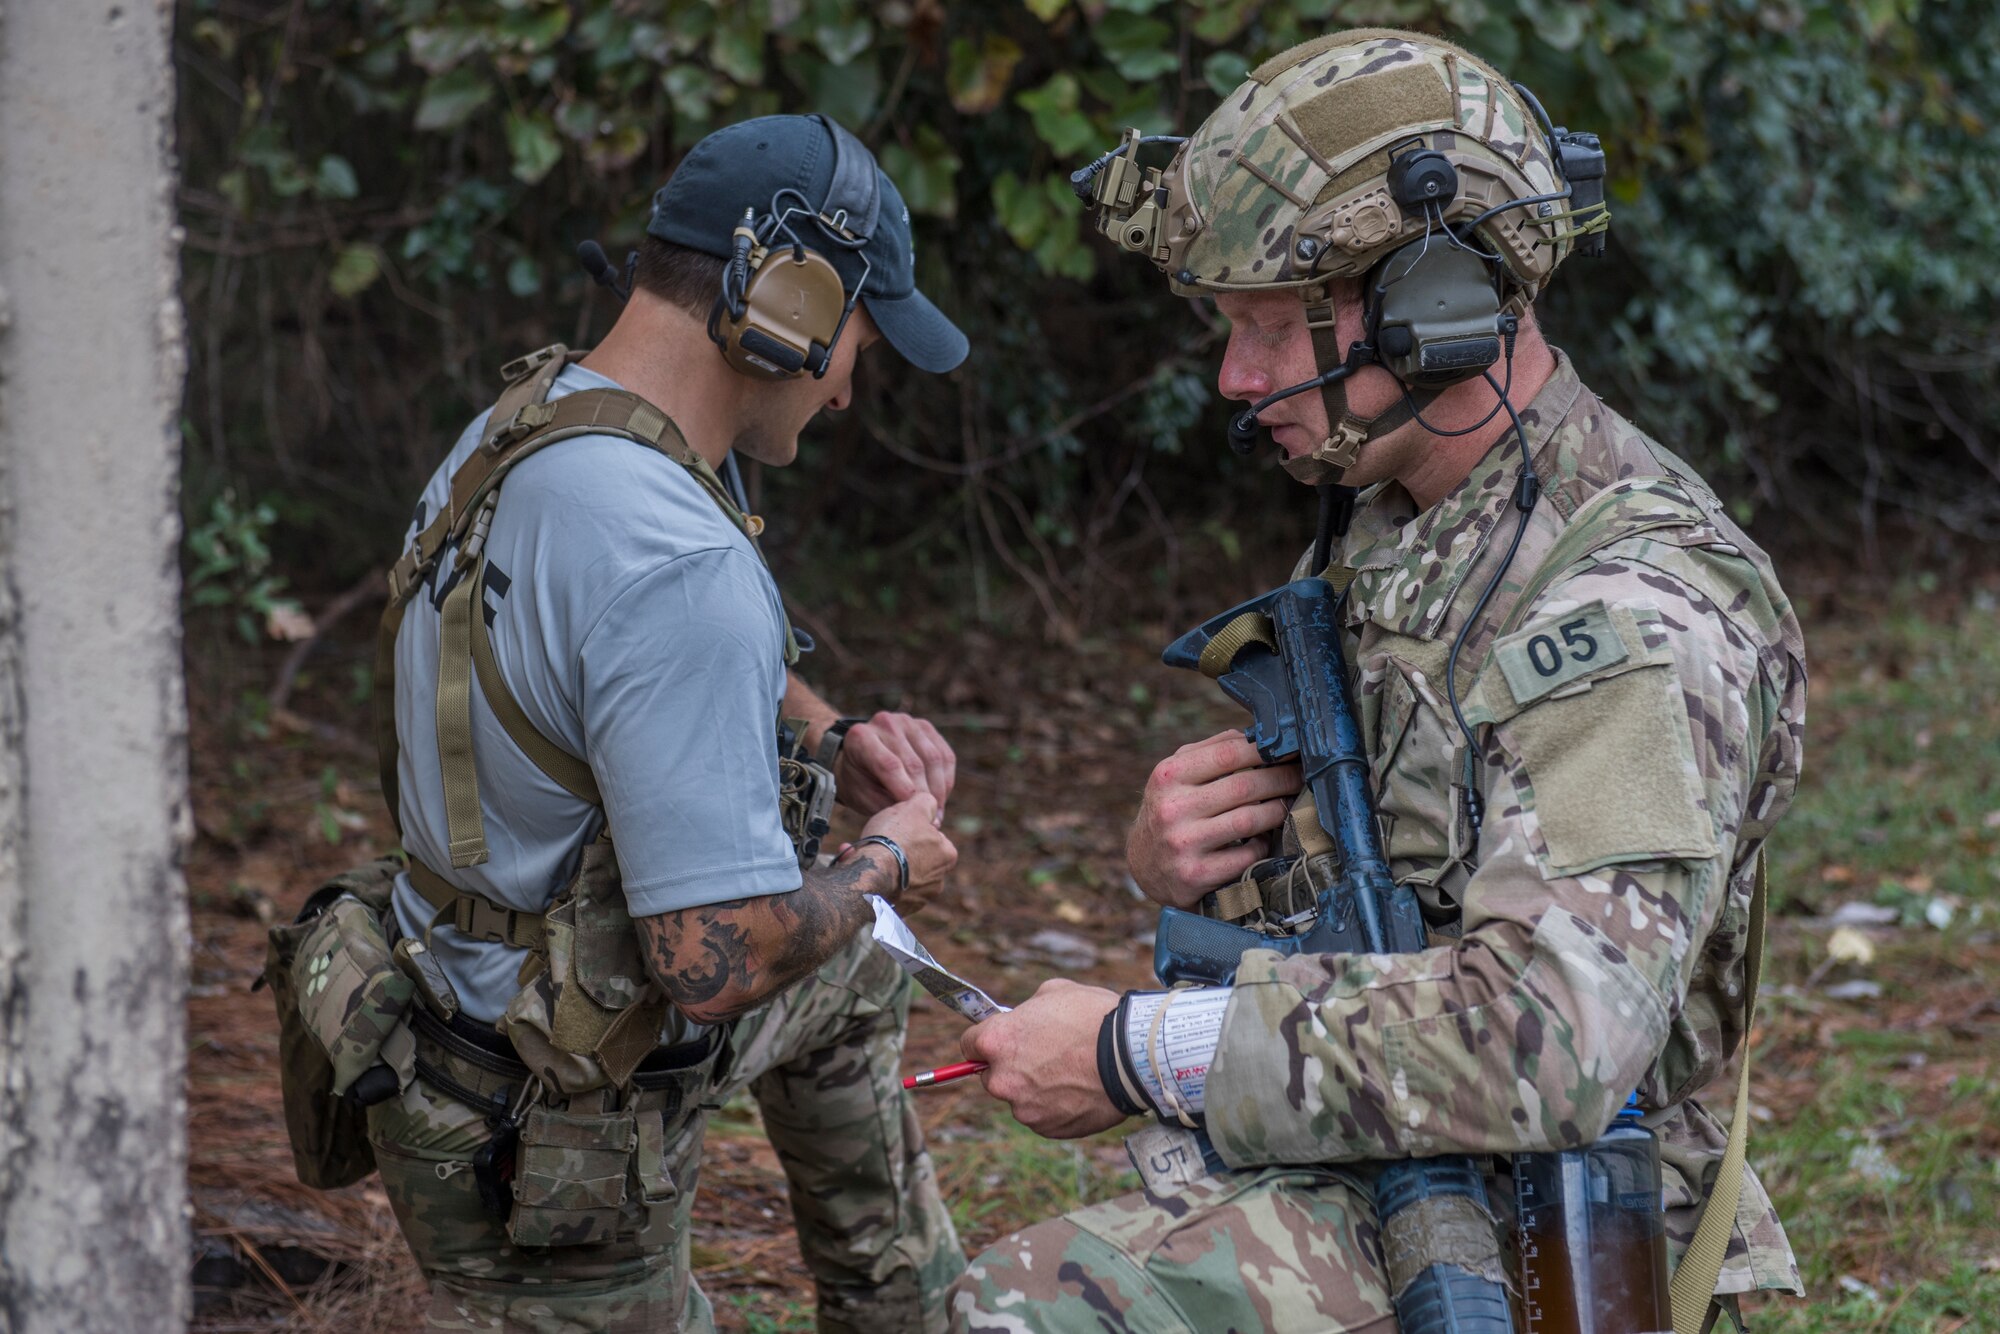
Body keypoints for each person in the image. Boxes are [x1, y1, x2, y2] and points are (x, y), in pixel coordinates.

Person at [951, 29, 1806, 1333]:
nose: (1234, 380)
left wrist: (1144, 1050)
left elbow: (1549, 1039)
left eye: (1259, 328)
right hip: (1399, 1154)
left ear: (1435, 306)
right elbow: (1403, 898)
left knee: (1031, 1311)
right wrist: (1195, 859)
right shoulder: (1407, 523)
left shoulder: (1630, 612)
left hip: (1569, 1230)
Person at [366, 114, 967, 1332]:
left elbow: (595, 651)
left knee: (848, 972)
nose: (849, 387)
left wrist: (817, 728)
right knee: (852, 920)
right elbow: (714, 962)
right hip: (551, 1137)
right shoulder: (680, 561)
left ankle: (906, 1311)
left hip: (437, 1014)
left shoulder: (524, 424)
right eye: (855, 338)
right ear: (790, 301)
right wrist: (891, 858)